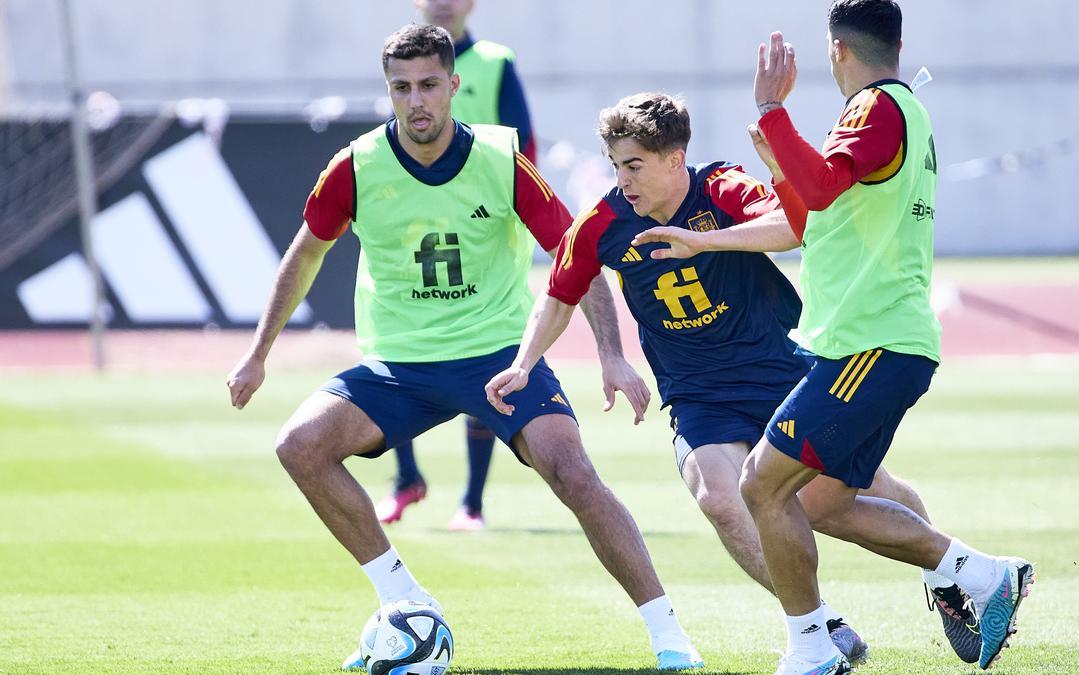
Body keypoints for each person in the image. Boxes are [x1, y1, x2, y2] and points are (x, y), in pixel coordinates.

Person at [225, 24, 702, 672]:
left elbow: (577, 250)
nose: (416, 100)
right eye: (401, 88)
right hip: (399, 365)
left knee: (572, 470)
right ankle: (406, 601)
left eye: (428, 84)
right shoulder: (356, 167)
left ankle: (669, 634)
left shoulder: (500, 158)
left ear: (453, 85)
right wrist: (259, 353)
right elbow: (304, 255)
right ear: (388, 91)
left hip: (498, 356)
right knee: (299, 445)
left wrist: (611, 353)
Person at [484, 91, 977, 667]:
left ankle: (944, 574)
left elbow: (790, 223)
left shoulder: (719, 187)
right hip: (697, 395)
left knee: (856, 495)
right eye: (617, 165)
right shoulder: (604, 221)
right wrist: (530, 363)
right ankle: (820, 628)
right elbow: (559, 294)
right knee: (718, 497)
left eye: (635, 165)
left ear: (675, 159)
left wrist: (711, 235)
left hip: (782, 372)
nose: (624, 181)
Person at [629, 4, 1035, 673]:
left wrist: (769, 109)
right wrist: (739, 204)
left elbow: (817, 189)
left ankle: (813, 648)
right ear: (896, 43)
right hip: (871, 343)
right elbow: (815, 214)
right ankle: (978, 575)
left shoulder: (875, 108)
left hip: (871, 343)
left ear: (837, 50)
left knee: (759, 485)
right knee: (821, 499)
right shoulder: (897, 113)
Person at [376, 0, 541, 531]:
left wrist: (514, 206)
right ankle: (406, 479)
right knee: (396, 347)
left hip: (480, 222)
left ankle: (471, 501)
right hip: (417, 223)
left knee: (481, 355)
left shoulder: (495, 61)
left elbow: (524, 146)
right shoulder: (404, 64)